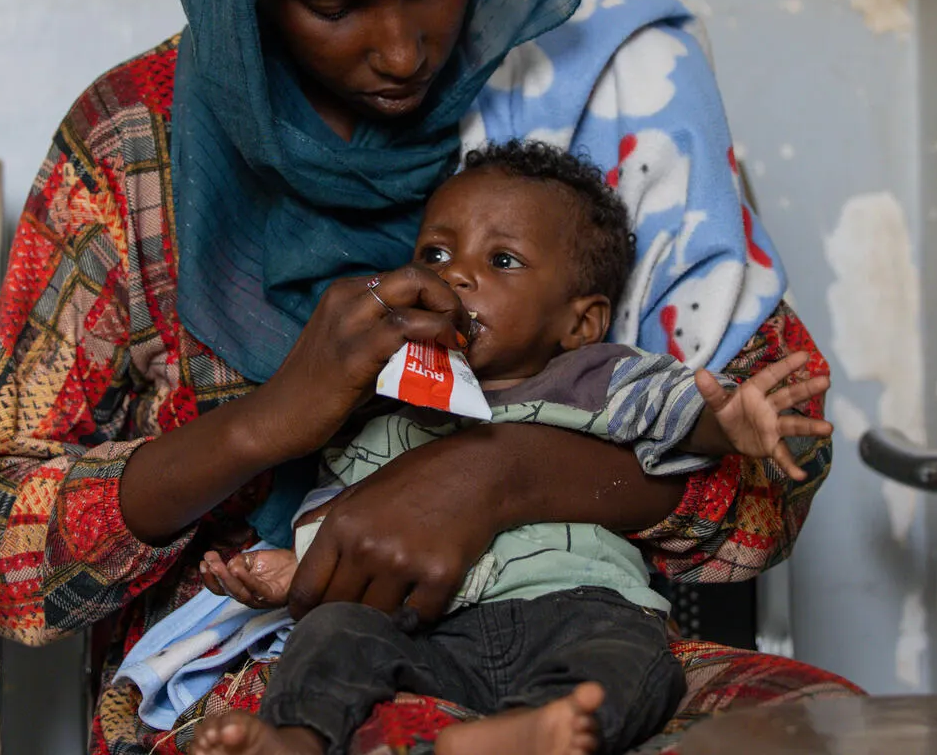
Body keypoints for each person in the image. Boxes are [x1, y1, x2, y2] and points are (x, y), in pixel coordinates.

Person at [0, 0, 852, 753]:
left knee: (821, 726)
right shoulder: (134, 155)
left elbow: (777, 474)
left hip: (578, 650)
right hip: (262, 681)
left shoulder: (590, 104)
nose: (405, 50)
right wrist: (260, 427)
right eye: (336, 6)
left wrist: (505, 474)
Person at [170, 141, 833, 755]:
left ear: (581, 322)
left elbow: (674, 414)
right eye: (435, 255)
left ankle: (533, 730)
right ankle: (295, 740)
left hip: (581, 611)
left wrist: (730, 423)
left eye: (502, 261)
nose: (455, 276)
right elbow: (340, 510)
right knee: (332, 635)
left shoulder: (597, 379)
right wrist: (292, 568)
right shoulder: (389, 405)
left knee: (633, 663)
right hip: (429, 635)